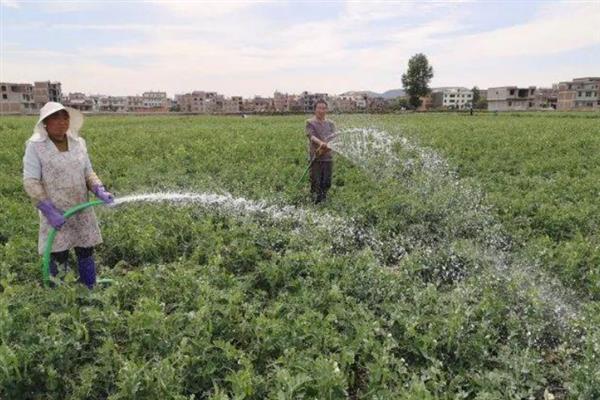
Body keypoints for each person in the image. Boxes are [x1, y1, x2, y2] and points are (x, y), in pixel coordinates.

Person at [22, 102, 114, 288]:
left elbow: (88, 172)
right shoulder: (36, 146)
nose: (61, 122)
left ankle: (89, 287)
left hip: (81, 207)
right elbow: (31, 181)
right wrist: (49, 210)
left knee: (85, 249)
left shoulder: (78, 143)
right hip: (56, 211)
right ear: (45, 123)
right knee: (58, 253)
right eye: (55, 118)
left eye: (65, 118)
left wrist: (99, 189)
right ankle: (60, 293)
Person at [305, 99, 336, 203]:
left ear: (326, 110)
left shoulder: (331, 123)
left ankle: (323, 200)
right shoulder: (310, 122)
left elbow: (333, 137)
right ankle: (314, 202)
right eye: (319, 108)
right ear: (315, 110)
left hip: (328, 158)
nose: (321, 110)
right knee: (315, 182)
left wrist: (330, 145)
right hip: (315, 158)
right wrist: (321, 143)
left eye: (323, 108)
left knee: (326, 182)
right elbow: (311, 136)